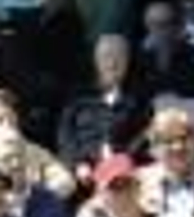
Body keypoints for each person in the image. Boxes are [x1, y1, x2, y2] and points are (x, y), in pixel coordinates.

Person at [58, 34, 150, 178]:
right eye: (106, 56)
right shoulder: (78, 96)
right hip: (85, 170)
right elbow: (65, 134)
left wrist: (124, 157)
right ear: (96, 60)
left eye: (119, 57)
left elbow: (145, 134)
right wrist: (77, 163)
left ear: (128, 61)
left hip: (125, 169)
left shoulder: (140, 97)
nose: (112, 63)